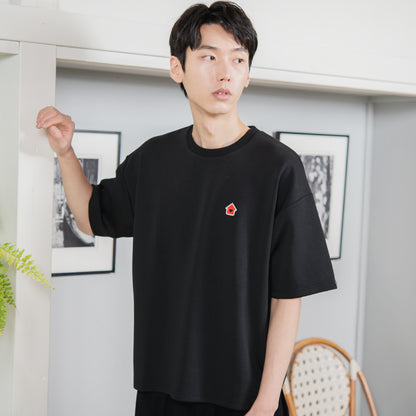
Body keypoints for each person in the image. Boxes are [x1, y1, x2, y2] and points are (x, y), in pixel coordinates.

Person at [36, 2, 337, 415]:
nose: (225, 72)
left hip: (243, 398)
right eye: (209, 57)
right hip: (160, 389)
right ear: (177, 68)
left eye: (238, 59)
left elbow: (287, 298)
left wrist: (267, 402)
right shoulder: (153, 161)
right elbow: (90, 216)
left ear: (248, 74)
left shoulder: (278, 167)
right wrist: (65, 152)